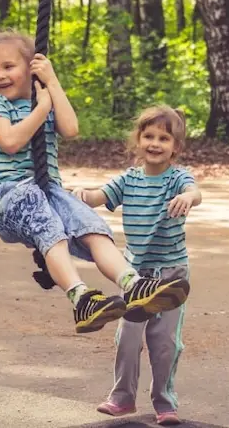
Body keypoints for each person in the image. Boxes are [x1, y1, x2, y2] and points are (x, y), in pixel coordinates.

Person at [0, 30, 190, 334]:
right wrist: (41, 109)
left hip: (47, 191)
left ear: (31, 68)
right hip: (10, 196)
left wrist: (51, 83)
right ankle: (80, 297)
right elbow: (10, 141)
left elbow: (71, 127)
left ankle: (133, 284)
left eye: (9, 67)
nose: (0, 75)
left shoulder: (44, 98)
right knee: (50, 227)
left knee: (91, 225)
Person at [72, 105, 201, 426]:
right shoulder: (128, 179)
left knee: (164, 343)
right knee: (127, 338)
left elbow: (194, 191)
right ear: (138, 140)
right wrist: (76, 194)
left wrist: (189, 198)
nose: (155, 143)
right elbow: (97, 196)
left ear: (176, 147)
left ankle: (164, 401)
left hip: (171, 276)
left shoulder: (177, 179)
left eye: (164, 138)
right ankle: (122, 397)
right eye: (149, 136)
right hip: (134, 276)